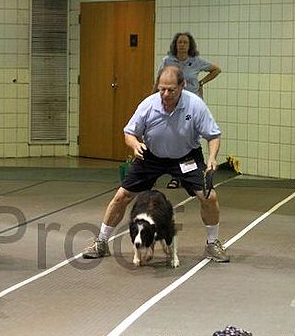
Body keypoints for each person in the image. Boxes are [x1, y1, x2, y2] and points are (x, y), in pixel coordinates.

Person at [82, 65, 229, 263]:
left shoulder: (195, 105)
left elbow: (213, 135)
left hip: (186, 157)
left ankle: (212, 244)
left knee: (209, 197)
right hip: (151, 155)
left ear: (182, 86)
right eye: (162, 89)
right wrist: (135, 145)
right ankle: (101, 242)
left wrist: (212, 157)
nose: (165, 94)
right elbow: (129, 133)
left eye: (171, 90)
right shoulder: (148, 105)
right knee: (121, 196)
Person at [155, 32, 221, 189]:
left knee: (190, 139)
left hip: (191, 106)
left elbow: (216, 70)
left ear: (190, 45)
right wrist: (153, 98)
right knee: (174, 137)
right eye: (179, 42)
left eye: (185, 42)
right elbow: (158, 79)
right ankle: (175, 176)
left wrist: (201, 83)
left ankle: (192, 173)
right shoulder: (167, 61)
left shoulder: (196, 61)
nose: (182, 45)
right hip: (171, 104)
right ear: (175, 45)